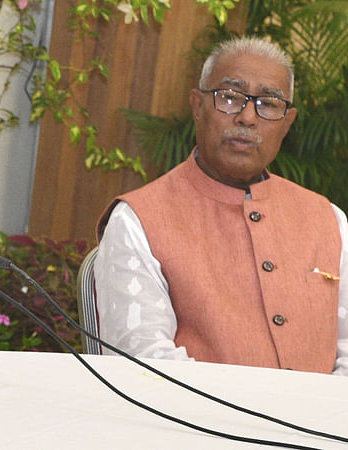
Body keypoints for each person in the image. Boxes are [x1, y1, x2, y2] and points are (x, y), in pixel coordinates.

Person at [94, 36, 348, 375]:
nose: (247, 117)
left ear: (286, 124)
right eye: (229, 97)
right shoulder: (137, 220)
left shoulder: (329, 219)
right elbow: (145, 364)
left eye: (269, 104)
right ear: (197, 106)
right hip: (197, 426)